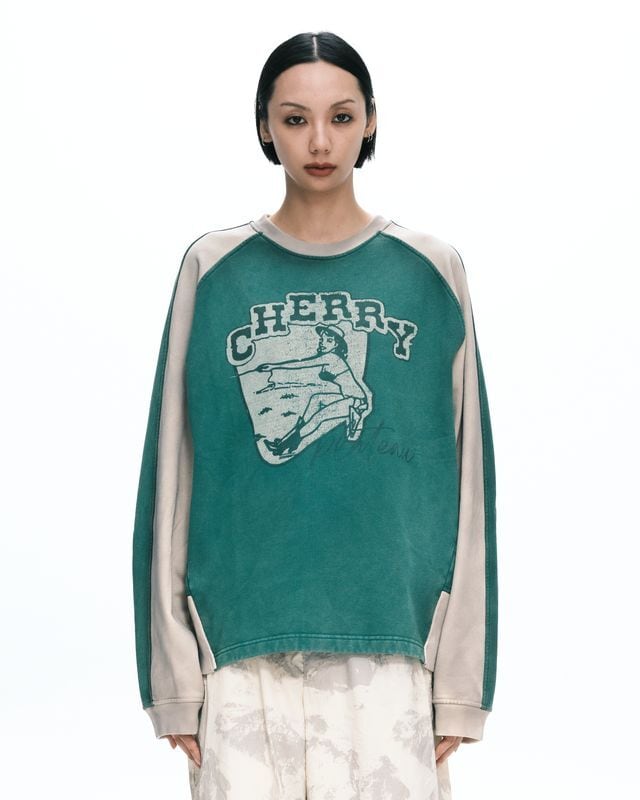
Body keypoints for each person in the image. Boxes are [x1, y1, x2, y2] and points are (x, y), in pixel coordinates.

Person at [131, 30, 498, 800]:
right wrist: (172, 674)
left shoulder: (430, 271)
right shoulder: (212, 269)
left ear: (371, 121)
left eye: (341, 116)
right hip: (237, 655)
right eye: (295, 119)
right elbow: (170, 474)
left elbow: (469, 483)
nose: (320, 141)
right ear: (265, 126)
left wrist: (462, 681)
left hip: (394, 657)